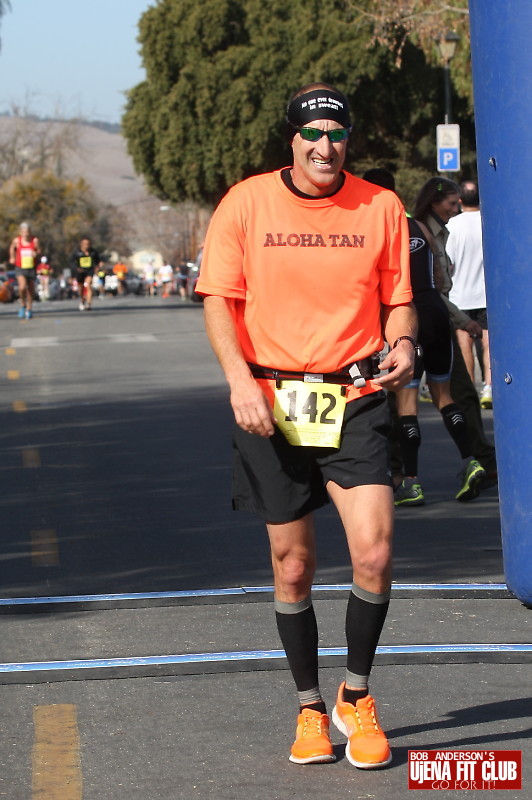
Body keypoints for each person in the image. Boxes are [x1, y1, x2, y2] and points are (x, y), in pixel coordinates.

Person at [197, 83, 417, 769]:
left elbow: (399, 299)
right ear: (292, 140)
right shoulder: (246, 203)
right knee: (293, 566)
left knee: (374, 552)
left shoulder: (381, 206)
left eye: (337, 135)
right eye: (313, 134)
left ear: (349, 140)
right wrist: (240, 383)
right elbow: (218, 299)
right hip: (270, 400)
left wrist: (404, 342)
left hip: (356, 397)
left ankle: (357, 693)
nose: (326, 146)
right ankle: (310, 708)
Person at [363, 170, 486, 504]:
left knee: (407, 405)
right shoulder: (418, 225)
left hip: (410, 316)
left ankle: (412, 482)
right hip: (435, 310)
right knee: (445, 396)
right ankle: (471, 460)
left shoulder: (376, 227)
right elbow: (439, 276)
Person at [445, 181, 492, 409]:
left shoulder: (453, 225)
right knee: (488, 344)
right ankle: (489, 388)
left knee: (465, 345)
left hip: (460, 295)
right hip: (486, 295)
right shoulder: (488, 221)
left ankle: (469, 391)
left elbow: (449, 263)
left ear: (460, 200)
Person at [9, 222, 41, 319]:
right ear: (21, 232)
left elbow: (39, 251)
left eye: (27, 232)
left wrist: (36, 253)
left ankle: (29, 308)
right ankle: (23, 304)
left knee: (30, 288)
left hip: (31, 267)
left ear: (30, 232)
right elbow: (12, 248)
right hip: (20, 266)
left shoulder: (34, 240)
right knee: (22, 287)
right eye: (24, 232)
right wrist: (12, 257)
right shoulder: (17, 240)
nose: (26, 234)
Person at [70, 236, 103, 311]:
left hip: (89, 271)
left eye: (88, 244)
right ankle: (82, 300)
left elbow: (98, 260)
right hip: (80, 272)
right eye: (84, 244)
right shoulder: (77, 252)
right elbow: (71, 262)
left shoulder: (93, 252)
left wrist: (98, 266)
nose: (86, 246)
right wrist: (76, 269)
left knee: (88, 285)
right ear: (81, 244)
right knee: (81, 288)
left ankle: (89, 303)